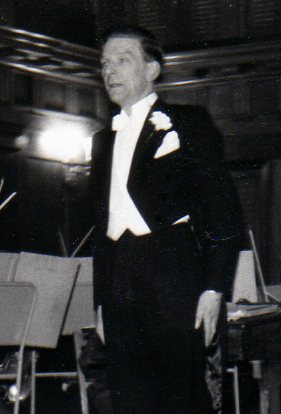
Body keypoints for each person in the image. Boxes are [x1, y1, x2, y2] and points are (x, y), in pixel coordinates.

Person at [89, 26, 244, 414]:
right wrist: (101, 305)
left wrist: (213, 289)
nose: (110, 71)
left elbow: (222, 211)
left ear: (153, 69)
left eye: (122, 60)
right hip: (118, 285)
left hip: (173, 277)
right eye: (105, 63)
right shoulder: (100, 140)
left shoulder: (188, 124)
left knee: (180, 398)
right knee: (128, 398)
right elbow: (100, 227)